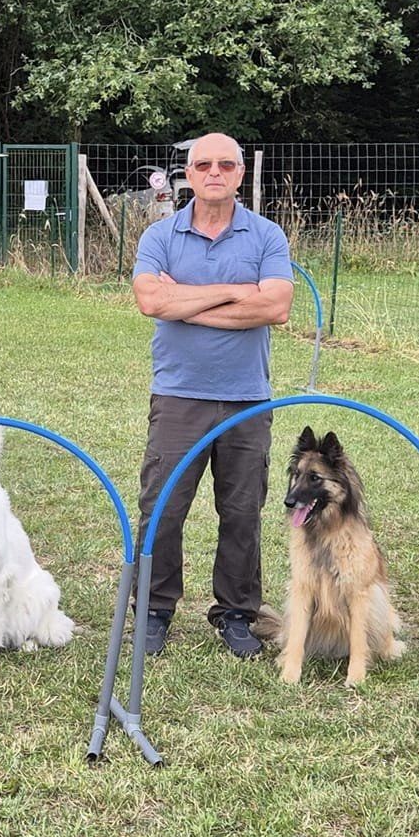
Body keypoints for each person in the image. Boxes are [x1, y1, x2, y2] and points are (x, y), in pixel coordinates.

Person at [130, 134, 294, 658]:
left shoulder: (267, 236)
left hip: (248, 398)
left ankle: (237, 613)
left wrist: (187, 301)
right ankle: (155, 609)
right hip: (178, 395)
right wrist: (236, 291)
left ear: (241, 174)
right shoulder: (161, 235)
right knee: (163, 507)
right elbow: (150, 299)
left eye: (226, 164)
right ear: (188, 174)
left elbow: (276, 308)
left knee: (243, 511)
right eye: (203, 165)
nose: (214, 172)